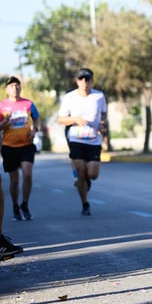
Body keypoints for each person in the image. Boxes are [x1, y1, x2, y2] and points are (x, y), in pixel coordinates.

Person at [57, 68, 108, 216]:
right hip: (76, 139)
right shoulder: (69, 97)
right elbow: (61, 119)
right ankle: (85, 203)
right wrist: (75, 119)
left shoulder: (99, 96)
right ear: (77, 81)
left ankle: (86, 180)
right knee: (80, 171)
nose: (84, 82)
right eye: (81, 79)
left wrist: (102, 123)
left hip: (93, 140)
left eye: (87, 79)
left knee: (92, 174)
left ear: (92, 81)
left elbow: (104, 113)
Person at [1, 76, 39, 221]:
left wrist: (34, 130)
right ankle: (15, 205)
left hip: (26, 145)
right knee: (14, 180)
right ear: (6, 89)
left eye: (17, 86)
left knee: (28, 174)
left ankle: (25, 204)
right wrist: (6, 120)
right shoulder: (2, 106)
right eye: (11, 86)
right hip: (9, 146)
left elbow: (36, 118)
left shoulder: (28, 104)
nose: (15, 88)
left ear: (20, 88)